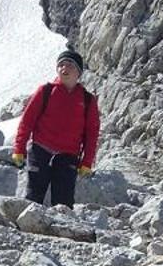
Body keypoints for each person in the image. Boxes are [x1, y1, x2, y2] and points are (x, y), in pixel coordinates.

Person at [12, 49, 100, 208]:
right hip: (40, 150)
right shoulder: (45, 91)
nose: (64, 69)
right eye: (61, 65)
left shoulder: (88, 100)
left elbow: (92, 133)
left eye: (70, 65)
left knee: (64, 203)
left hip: (68, 156)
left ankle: (62, 232)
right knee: (33, 196)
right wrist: (19, 148)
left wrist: (87, 161)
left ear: (79, 72)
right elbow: (27, 121)